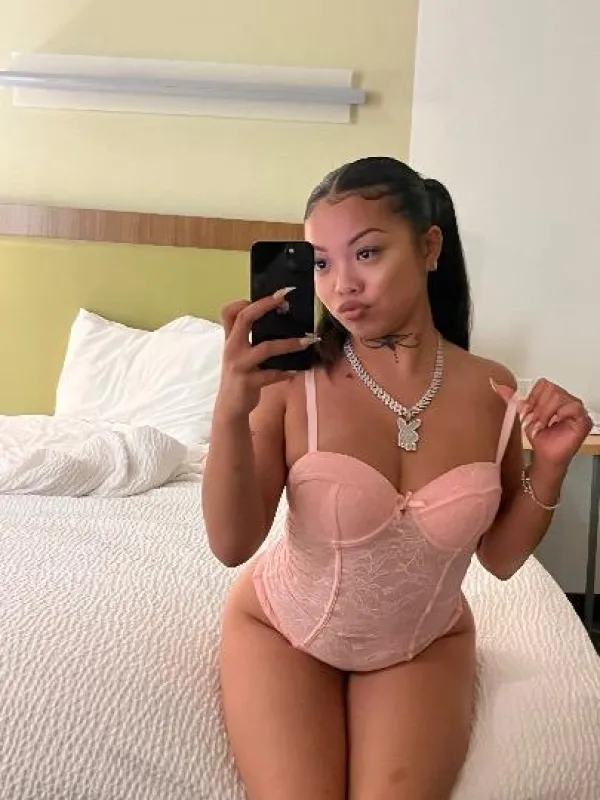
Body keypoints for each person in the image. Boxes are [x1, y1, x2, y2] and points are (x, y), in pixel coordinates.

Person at [202, 157, 592, 800]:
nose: (342, 286)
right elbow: (230, 544)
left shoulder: (491, 389)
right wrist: (229, 409)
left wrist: (549, 466)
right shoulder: (293, 385)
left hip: (422, 643)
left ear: (429, 247)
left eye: (367, 253)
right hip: (283, 632)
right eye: (321, 263)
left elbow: (498, 558)